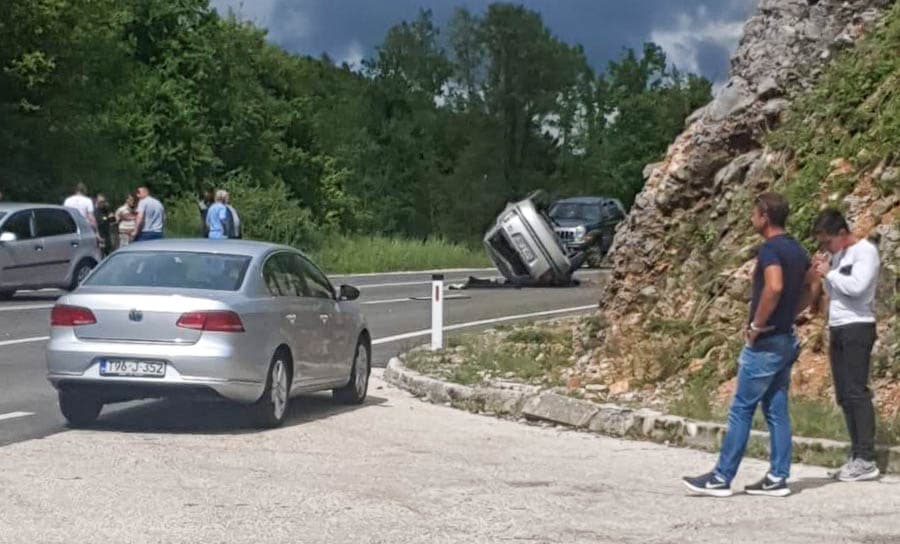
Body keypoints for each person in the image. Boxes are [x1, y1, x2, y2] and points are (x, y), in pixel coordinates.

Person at [683, 193, 814, 498]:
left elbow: (775, 285)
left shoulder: (770, 249)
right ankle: (778, 477)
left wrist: (757, 325)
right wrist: (791, 314)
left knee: (742, 409)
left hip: (766, 341)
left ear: (765, 216)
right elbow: (813, 287)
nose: (751, 218)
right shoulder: (797, 249)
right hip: (785, 338)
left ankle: (721, 477)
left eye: (754, 213)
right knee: (776, 410)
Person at [811, 209, 881, 482]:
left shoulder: (865, 252)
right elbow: (834, 290)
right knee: (843, 393)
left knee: (856, 391)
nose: (826, 247)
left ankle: (866, 458)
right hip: (837, 326)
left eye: (828, 241)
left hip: (858, 325)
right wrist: (823, 272)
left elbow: (858, 287)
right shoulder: (837, 256)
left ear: (842, 233)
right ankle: (856, 454)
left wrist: (830, 273)